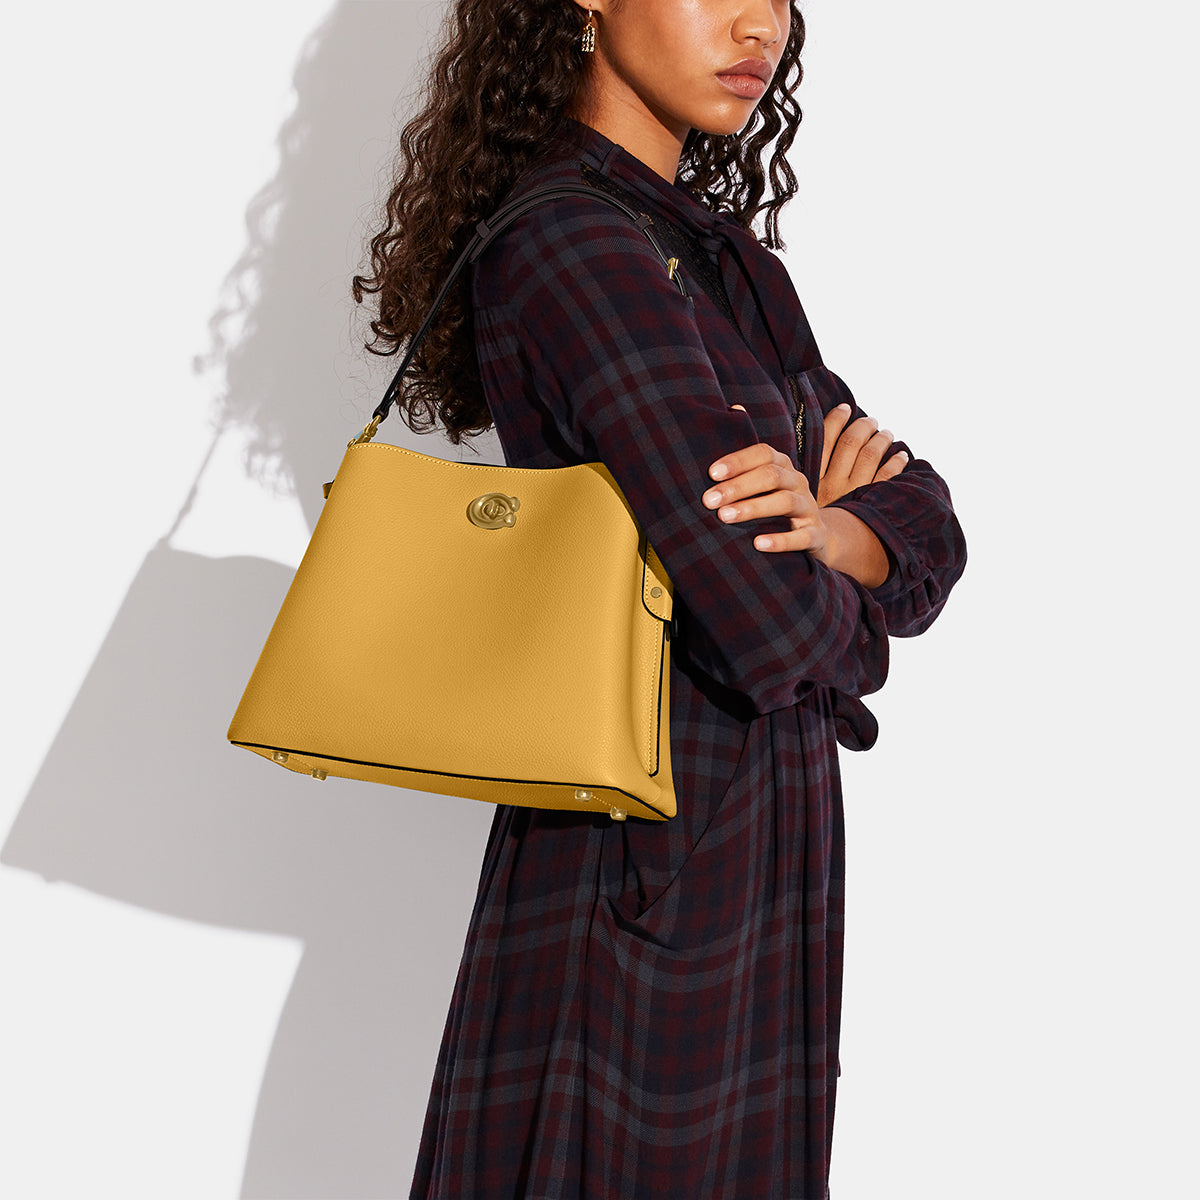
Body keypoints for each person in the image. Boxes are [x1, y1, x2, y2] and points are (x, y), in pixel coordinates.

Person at [351, 0, 967, 1195]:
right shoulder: (573, 242)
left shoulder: (723, 262)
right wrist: (847, 593)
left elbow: (929, 518)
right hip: (641, 860)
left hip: (755, 847)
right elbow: (763, 617)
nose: (760, 26)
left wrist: (834, 529)